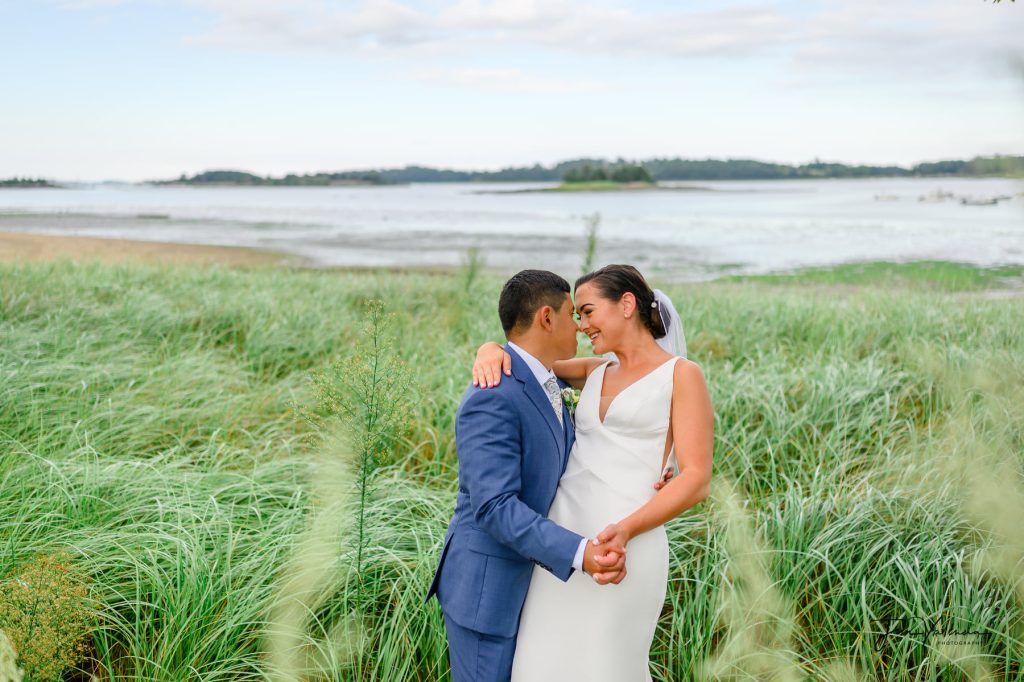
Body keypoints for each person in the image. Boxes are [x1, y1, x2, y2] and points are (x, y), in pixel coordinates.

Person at [470, 264, 714, 682]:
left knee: (606, 663)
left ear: (626, 304)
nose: (581, 327)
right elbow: (527, 358)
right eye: (576, 316)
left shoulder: (681, 375)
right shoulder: (592, 371)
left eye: (586, 311)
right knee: (540, 662)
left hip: (624, 544)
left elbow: (696, 479)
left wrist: (624, 530)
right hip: (563, 544)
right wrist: (490, 348)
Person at [425, 269, 630, 682]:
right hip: (488, 593)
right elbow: (495, 508)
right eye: (572, 314)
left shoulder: (547, 379)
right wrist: (580, 553)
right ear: (546, 318)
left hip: (534, 586)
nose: (578, 326)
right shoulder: (493, 394)